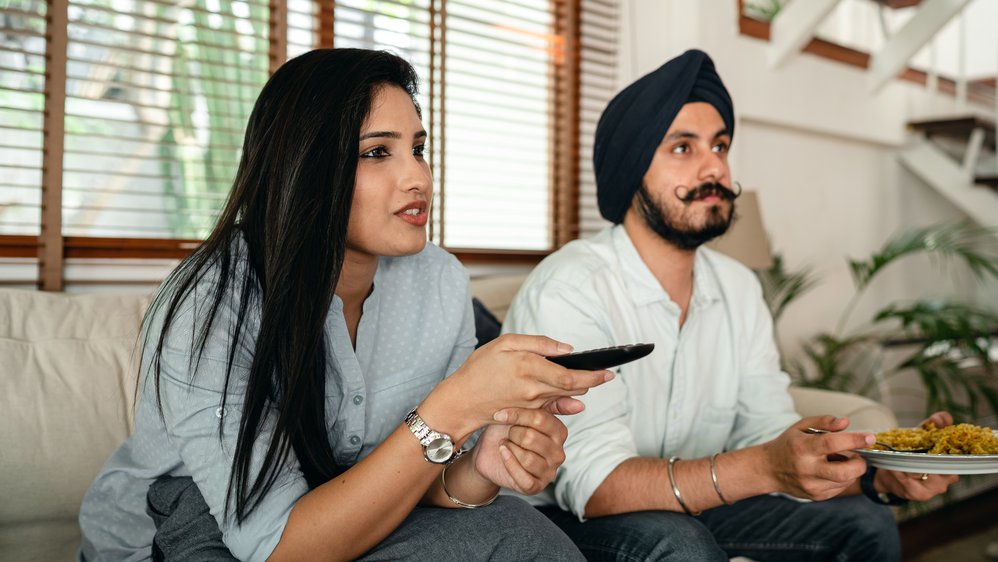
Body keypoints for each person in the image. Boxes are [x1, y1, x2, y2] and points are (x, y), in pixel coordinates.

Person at [78, 48, 612, 562]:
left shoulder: (440, 281)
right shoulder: (210, 301)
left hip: (345, 511)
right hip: (191, 525)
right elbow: (276, 544)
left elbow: (422, 478)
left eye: (418, 148)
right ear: (304, 166)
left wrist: (482, 467)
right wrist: (452, 406)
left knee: (516, 531)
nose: (419, 177)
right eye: (378, 152)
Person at [502, 49, 958, 562]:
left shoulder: (738, 288)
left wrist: (876, 471)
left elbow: (764, 432)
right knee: (677, 543)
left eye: (720, 145)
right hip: (567, 519)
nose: (715, 165)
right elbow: (594, 484)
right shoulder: (572, 288)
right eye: (683, 148)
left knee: (863, 522)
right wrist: (764, 467)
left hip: (694, 502)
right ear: (632, 169)